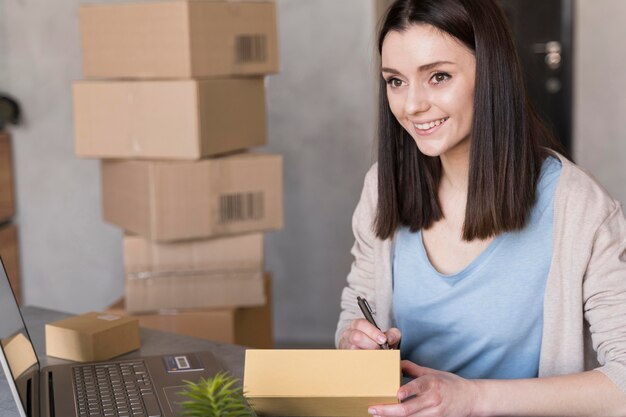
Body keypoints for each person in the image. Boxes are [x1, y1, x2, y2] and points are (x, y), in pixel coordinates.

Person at [335, 0, 626, 416]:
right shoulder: (384, 187)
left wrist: (474, 398)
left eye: (438, 77)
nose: (412, 105)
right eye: (395, 81)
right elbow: (355, 307)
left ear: (492, 74)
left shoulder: (579, 208)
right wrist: (352, 339)